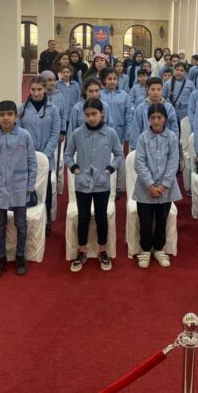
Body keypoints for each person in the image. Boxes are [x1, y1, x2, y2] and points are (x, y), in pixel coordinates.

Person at [64, 98, 123, 272]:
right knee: (83, 218)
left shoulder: (110, 133)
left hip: (102, 183)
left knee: (101, 217)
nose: (91, 118)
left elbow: (119, 154)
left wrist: (110, 169)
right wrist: (74, 168)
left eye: (94, 114)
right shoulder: (77, 133)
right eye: (87, 114)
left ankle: (102, 250)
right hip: (82, 183)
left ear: (102, 113)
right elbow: (67, 154)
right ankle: (81, 250)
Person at [0, 101, 37, 278]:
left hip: (20, 188)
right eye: (2, 115)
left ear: (16, 116)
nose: (6, 118)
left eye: (9, 114)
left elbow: (32, 163)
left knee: (21, 224)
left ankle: (20, 256)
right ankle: (1, 257)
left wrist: (30, 186)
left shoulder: (24, 135)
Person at [134, 103, 182, 269]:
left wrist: (163, 186)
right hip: (145, 189)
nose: (156, 121)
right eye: (153, 117)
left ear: (165, 119)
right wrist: (150, 185)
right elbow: (139, 163)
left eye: (159, 117)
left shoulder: (172, 137)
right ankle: (146, 249)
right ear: (148, 119)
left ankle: (160, 249)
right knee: (145, 220)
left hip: (165, 190)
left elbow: (173, 163)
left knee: (162, 219)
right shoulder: (143, 137)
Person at [18, 76, 60, 236]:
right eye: (33, 89)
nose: (36, 93)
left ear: (45, 90)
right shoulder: (22, 109)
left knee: (46, 189)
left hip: (46, 157)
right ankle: (24, 218)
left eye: (39, 89)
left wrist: (45, 154)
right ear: (29, 90)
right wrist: (29, 154)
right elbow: (19, 133)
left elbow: (55, 132)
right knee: (26, 187)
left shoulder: (52, 109)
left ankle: (47, 218)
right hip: (25, 158)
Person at [100, 68, 132, 195]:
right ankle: (105, 184)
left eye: (114, 79)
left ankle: (119, 187)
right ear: (104, 80)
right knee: (104, 157)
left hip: (120, 131)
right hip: (103, 131)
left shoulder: (124, 95)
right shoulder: (100, 94)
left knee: (119, 158)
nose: (112, 81)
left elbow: (128, 115)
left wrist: (128, 132)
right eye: (109, 79)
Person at [130, 77, 179, 150]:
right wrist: (135, 149)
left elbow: (174, 129)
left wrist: (174, 146)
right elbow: (136, 129)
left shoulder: (169, 108)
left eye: (159, 89)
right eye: (153, 89)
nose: (156, 92)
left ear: (162, 90)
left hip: (165, 146)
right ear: (147, 89)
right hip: (146, 146)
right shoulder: (140, 108)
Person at [56, 65, 81, 131]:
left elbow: (78, 97)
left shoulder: (75, 84)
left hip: (71, 112)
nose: (66, 74)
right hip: (60, 112)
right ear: (61, 73)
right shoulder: (57, 84)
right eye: (64, 72)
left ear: (71, 73)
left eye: (67, 72)